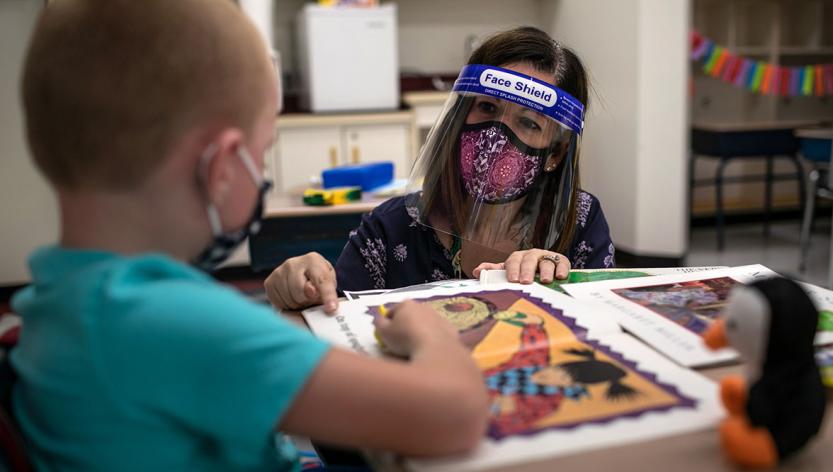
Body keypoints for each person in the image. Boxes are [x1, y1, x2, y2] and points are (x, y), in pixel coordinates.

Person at [11, 1, 488, 470]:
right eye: (262, 155)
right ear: (220, 167)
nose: (260, 174)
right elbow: (456, 414)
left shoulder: (51, 300)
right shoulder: (176, 324)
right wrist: (432, 335)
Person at [265, 27, 614, 306]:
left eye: (529, 123)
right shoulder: (393, 228)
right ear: (460, 115)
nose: (495, 137)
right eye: (487, 109)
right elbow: (332, 320)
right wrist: (302, 291)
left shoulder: (579, 222)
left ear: (556, 153)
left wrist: (562, 285)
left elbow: (609, 329)